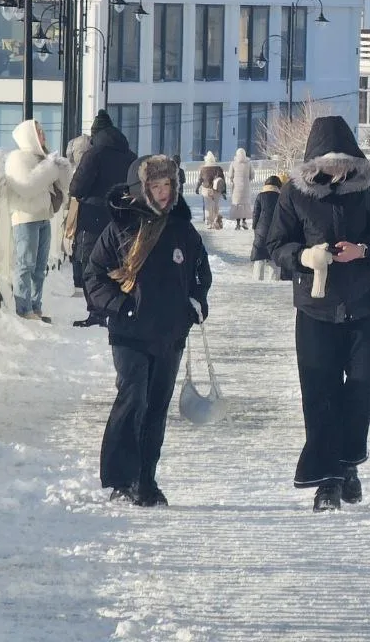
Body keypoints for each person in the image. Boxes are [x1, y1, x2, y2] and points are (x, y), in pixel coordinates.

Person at [264, 116, 370, 512]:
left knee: (363, 387)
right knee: (320, 393)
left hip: (361, 304)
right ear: (315, 163)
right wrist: (305, 256)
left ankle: (347, 462)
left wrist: (364, 250)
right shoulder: (294, 192)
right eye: (330, 164)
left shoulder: (369, 187)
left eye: (344, 164)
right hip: (315, 308)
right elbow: (276, 244)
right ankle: (328, 481)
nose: (338, 171)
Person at [85, 155, 212, 508]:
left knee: (156, 407)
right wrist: (119, 306)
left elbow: (201, 273)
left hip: (170, 335)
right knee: (133, 399)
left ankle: (145, 480)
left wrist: (196, 303)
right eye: (155, 186)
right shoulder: (121, 229)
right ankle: (121, 478)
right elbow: (95, 275)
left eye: (167, 185)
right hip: (129, 333)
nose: (162, 192)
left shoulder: (182, 230)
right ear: (141, 190)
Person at [69, 110, 138, 328]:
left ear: (95, 134)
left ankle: (97, 311)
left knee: (92, 264)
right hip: (123, 218)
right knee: (119, 262)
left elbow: (77, 188)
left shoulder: (93, 155)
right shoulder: (131, 156)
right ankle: (118, 308)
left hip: (93, 218)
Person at [4, 119, 73, 322]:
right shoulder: (17, 158)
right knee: (25, 264)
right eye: (38, 131)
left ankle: (36, 306)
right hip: (25, 217)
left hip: (44, 216)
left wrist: (63, 168)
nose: (43, 135)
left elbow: (64, 185)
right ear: (29, 136)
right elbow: (27, 186)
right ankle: (24, 309)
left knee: (40, 267)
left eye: (42, 131)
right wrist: (50, 168)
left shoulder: (42, 158)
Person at [64, 132, 93, 291]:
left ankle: (78, 279)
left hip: (76, 206)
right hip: (86, 208)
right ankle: (81, 278)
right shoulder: (91, 166)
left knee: (75, 239)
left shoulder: (73, 171)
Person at [250, 175, 283, 279]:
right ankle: (274, 280)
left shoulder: (260, 196)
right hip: (276, 229)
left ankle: (257, 279)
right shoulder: (281, 197)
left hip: (261, 229)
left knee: (259, 256)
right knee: (274, 255)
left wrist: (255, 227)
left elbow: (256, 213)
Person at [228, 147, 255, 230]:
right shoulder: (249, 163)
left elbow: (230, 175)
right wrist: (247, 180)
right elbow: (252, 175)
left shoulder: (233, 163)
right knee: (245, 204)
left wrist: (233, 180)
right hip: (246, 187)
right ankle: (244, 221)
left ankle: (238, 223)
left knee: (237, 204)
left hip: (236, 187)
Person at [197, 151, 225, 229]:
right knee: (216, 205)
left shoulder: (203, 169)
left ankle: (209, 221)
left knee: (208, 206)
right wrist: (223, 191)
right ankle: (215, 220)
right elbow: (222, 180)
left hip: (206, 189)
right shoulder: (218, 168)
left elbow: (200, 180)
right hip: (216, 190)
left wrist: (197, 188)